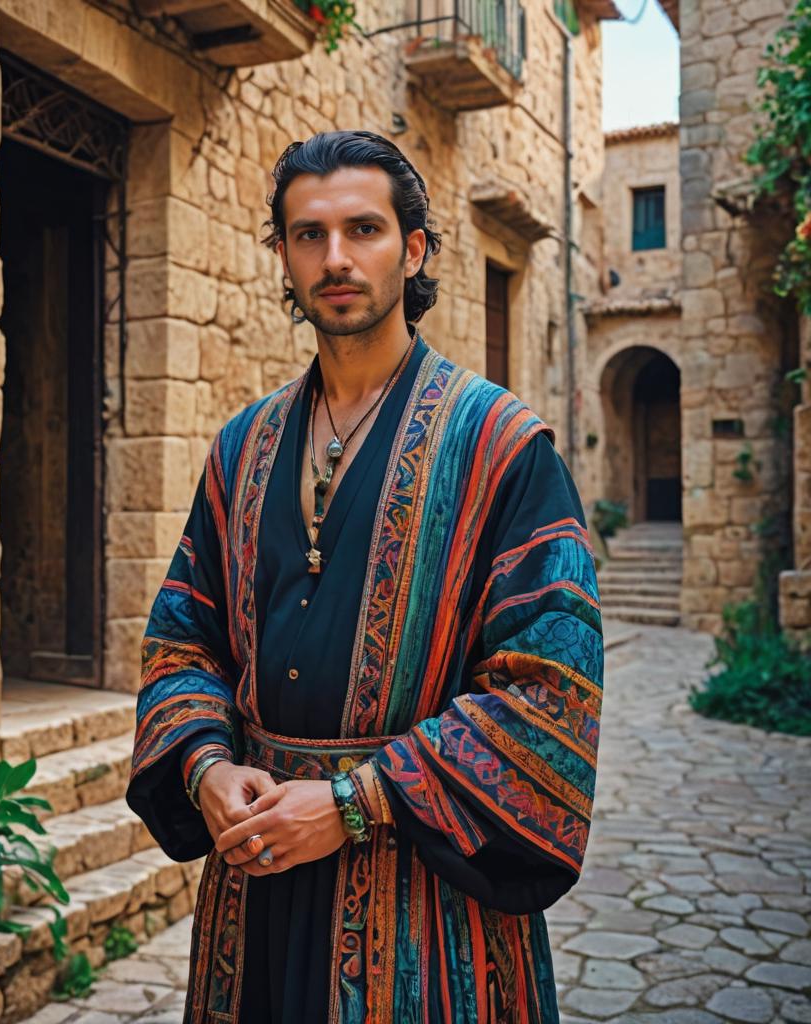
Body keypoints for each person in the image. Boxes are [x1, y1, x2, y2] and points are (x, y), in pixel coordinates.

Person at [126, 130, 603, 1023]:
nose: (335, 258)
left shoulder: (501, 448)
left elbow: (548, 689)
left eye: (363, 230)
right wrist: (203, 767)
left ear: (412, 248)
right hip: (254, 884)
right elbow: (182, 635)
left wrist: (353, 801)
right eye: (308, 235)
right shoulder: (242, 447)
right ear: (283, 255)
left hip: (427, 904)